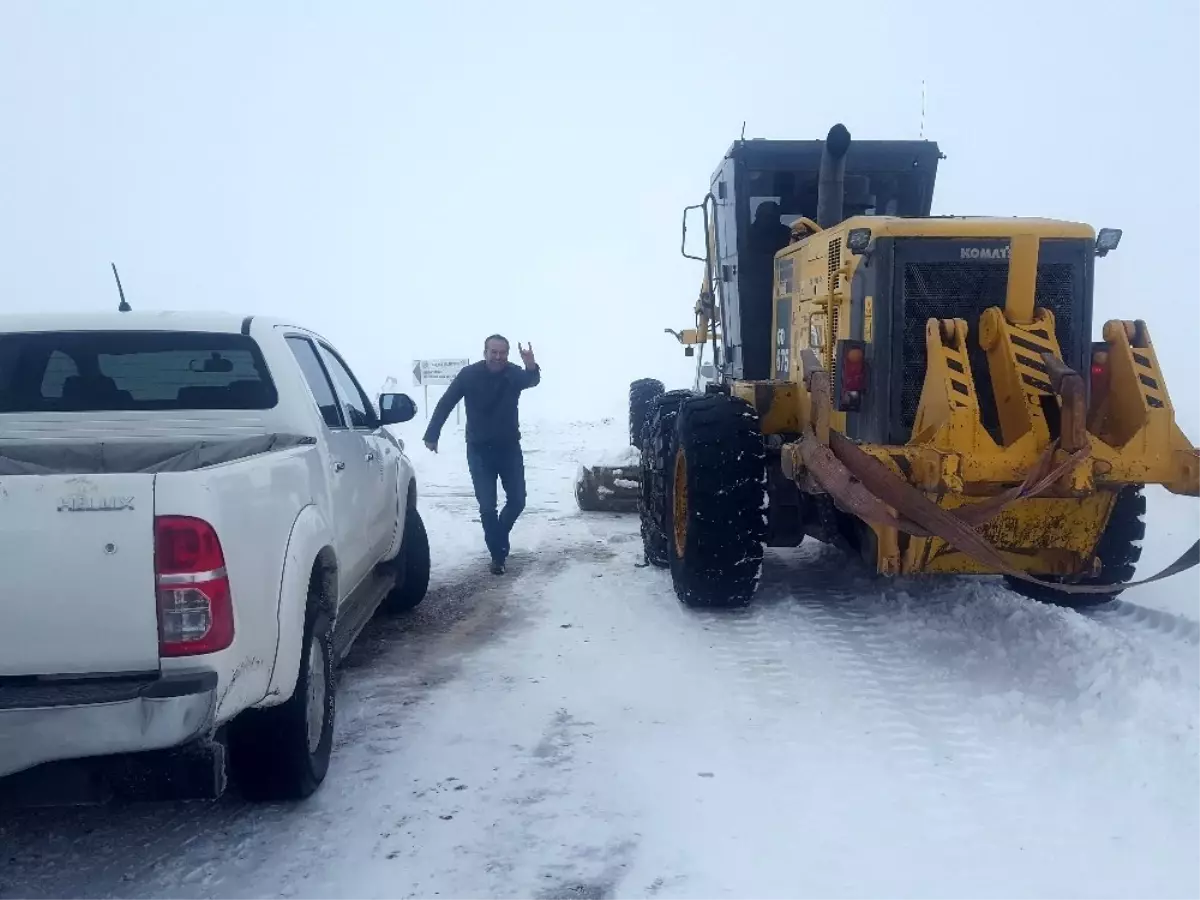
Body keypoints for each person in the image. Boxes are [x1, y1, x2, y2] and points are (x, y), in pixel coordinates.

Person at [423, 334, 540, 575]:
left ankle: (497, 536)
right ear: (484, 352)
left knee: (518, 501)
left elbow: (532, 380)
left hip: (509, 449)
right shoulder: (469, 375)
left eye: (502, 353)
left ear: (507, 354)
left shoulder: (513, 373)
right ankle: (498, 556)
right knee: (487, 507)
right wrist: (432, 434)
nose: (498, 357)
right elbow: (446, 402)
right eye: (493, 352)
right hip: (479, 451)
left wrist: (530, 363)